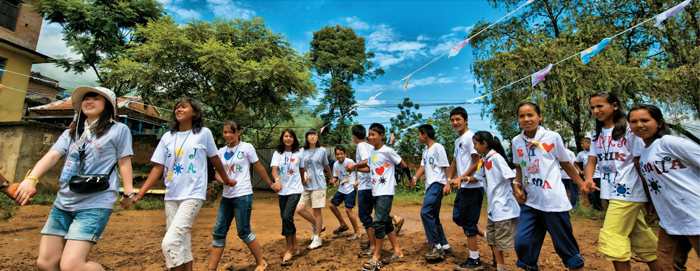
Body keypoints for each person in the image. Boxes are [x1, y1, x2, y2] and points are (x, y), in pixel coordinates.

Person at [14, 86, 134, 271]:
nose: (89, 101)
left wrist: (128, 192)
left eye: (96, 98)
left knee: (72, 265)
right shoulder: (72, 132)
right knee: (46, 263)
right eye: (86, 98)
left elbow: (124, 161)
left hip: (95, 203)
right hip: (63, 203)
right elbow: (52, 155)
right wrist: (32, 178)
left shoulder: (119, 130)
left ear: (108, 105)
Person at [132, 97, 234, 271]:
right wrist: (140, 193)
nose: (178, 109)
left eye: (184, 107)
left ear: (195, 112)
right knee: (182, 241)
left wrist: (226, 179)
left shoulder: (203, 133)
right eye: (177, 107)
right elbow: (158, 167)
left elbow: (215, 160)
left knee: (170, 242)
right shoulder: (167, 137)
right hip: (171, 194)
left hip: (193, 193)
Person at [511, 102, 594, 271]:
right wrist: (516, 185)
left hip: (552, 200)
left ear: (539, 117)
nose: (526, 119)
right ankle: (529, 266)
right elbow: (520, 167)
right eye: (522, 116)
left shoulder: (552, 137)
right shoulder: (516, 141)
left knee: (564, 244)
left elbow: (566, 163)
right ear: (518, 119)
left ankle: (576, 266)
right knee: (522, 242)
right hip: (530, 200)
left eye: (530, 115)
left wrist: (581, 183)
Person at [585, 92, 660, 271]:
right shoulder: (596, 134)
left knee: (612, 237)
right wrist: (588, 179)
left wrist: (651, 198)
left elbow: (639, 163)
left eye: (600, 106)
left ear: (615, 105)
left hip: (629, 190)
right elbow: (592, 161)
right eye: (592, 107)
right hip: (612, 191)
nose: (596, 110)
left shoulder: (629, 130)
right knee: (642, 239)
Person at [629, 104, 699, 270]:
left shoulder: (669, 143)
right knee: (665, 264)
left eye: (645, 120)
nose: (639, 125)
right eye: (633, 121)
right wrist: (655, 210)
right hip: (671, 219)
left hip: (695, 214)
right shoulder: (645, 153)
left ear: (659, 123)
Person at [207, 120, 273, 271]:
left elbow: (259, 167)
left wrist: (270, 184)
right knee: (219, 231)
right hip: (226, 196)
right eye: (225, 132)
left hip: (242, 195)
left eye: (231, 132)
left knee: (243, 231)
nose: (228, 135)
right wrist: (225, 181)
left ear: (239, 132)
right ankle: (211, 269)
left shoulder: (247, 147)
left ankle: (261, 262)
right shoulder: (221, 151)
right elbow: (217, 173)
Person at [356, 123, 412, 271]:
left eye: (373, 134)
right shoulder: (372, 152)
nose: (370, 137)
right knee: (386, 222)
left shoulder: (388, 151)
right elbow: (370, 167)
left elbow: (403, 164)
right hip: (375, 191)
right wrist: (355, 167)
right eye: (369, 134)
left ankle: (376, 257)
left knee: (378, 223)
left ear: (381, 136)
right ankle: (398, 252)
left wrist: (411, 179)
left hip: (386, 192)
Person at [470, 131, 520, 271]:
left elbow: (510, 176)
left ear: (484, 144)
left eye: (475, 144)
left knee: (508, 241)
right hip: (493, 209)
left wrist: (518, 191)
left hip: (503, 207)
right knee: (492, 240)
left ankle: (528, 263)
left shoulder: (496, 158)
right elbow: (477, 177)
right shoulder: (485, 159)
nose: (474, 147)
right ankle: (501, 267)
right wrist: (463, 179)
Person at [446, 107, 487, 270]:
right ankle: (489, 238)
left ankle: (474, 259)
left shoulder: (471, 138)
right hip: (462, 186)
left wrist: (461, 177)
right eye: (452, 120)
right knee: (459, 218)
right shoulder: (458, 140)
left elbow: (476, 163)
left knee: (469, 222)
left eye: (458, 119)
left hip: (473, 185)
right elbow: (454, 162)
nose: (455, 123)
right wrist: (449, 180)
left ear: (466, 120)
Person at [410, 124, 452, 261]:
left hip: (437, 184)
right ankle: (445, 245)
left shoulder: (438, 148)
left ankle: (436, 245)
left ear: (425, 135)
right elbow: (423, 165)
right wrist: (415, 178)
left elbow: (446, 166)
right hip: (430, 186)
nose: (417, 137)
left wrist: (447, 183)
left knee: (425, 212)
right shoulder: (426, 151)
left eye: (418, 134)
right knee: (433, 215)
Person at [270, 129, 304, 266]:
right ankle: (295, 246)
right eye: (286, 136)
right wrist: (277, 180)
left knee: (286, 217)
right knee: (286, 218)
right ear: (282, 138)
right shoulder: (278, 153)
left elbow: (301, 169)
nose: (288, 138)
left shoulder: (299, 153)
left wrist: (304, 180)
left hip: (295, 189)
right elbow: (274, 170)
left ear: (294, 139)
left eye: (290, 136)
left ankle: (288, 250)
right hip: (282, 190)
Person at [296, 128, 332, 249]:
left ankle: (318, 238)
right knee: (300, 209)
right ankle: (318, 226)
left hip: (319, 185)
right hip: (306, 184)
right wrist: (303, 178)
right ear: (306, 138)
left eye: (314, 135)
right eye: (310, 135)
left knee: (317, 212)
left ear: (317, 137)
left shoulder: (322, 150)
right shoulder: (302, 151)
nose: (312, 137)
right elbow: (301, 167)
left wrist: (331, 178)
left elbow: (326, 165)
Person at [346, 125, 378, 257]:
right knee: (370, 215)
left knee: (364, 216)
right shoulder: (370, 146)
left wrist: (354, 166)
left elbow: (367, 162)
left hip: (366, 186)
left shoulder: (361, 146)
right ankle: (373, 241)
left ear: (354, 136)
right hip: (371, 185)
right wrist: (356, 170)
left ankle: (373, 246)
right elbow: (371, 167)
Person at [329, 145, 362, 240]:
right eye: (337, 154)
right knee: (332, 205)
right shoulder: (335, 164)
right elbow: (335, 176)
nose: (339, 156)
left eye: (341, 154)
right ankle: (343, 224)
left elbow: (358, 171)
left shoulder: (350, 162)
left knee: (348, 210)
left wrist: (357, 181)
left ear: (345, 154)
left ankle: (357, 232)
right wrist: (333, 180)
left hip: (350, 188)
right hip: (342, 189)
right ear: (335, 155)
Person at [576, 137, 603, 211]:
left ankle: (604, 210)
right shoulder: (581, 154)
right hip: (589, 177)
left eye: (583, 143)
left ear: (589, 143)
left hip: (599, 176)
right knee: (592, 195)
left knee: (601, 194)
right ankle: (596, 210)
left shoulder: (597, 151)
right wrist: (580, 171)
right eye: (580, 144)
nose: (581, 145)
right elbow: (575, 162)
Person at [561, 142, 580, 207]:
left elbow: (573, 165)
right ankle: (564, 205)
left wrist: (576, 177)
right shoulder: (556, 152)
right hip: (561, 176)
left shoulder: (570, 153)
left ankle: (575, 206)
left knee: (573, 191)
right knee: (562, 192)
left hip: (570, 176)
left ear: (564, 143)